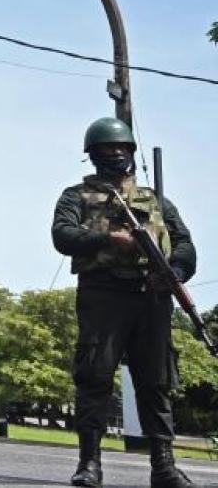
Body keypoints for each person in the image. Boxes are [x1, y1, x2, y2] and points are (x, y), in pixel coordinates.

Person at [52, 117, 196, 488]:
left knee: (156, 381)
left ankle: (163, 466)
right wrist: (109, 238)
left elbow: (184, 244)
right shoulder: (76, 196)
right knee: (95, 376)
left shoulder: (156, 200)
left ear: (132, 152)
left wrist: (174, 271)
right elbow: (63, 235)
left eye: (121, 147)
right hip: (103, 295)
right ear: (93, 155)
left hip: (151, 297)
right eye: (106, 149)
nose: (115, 153)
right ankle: (89, 464)